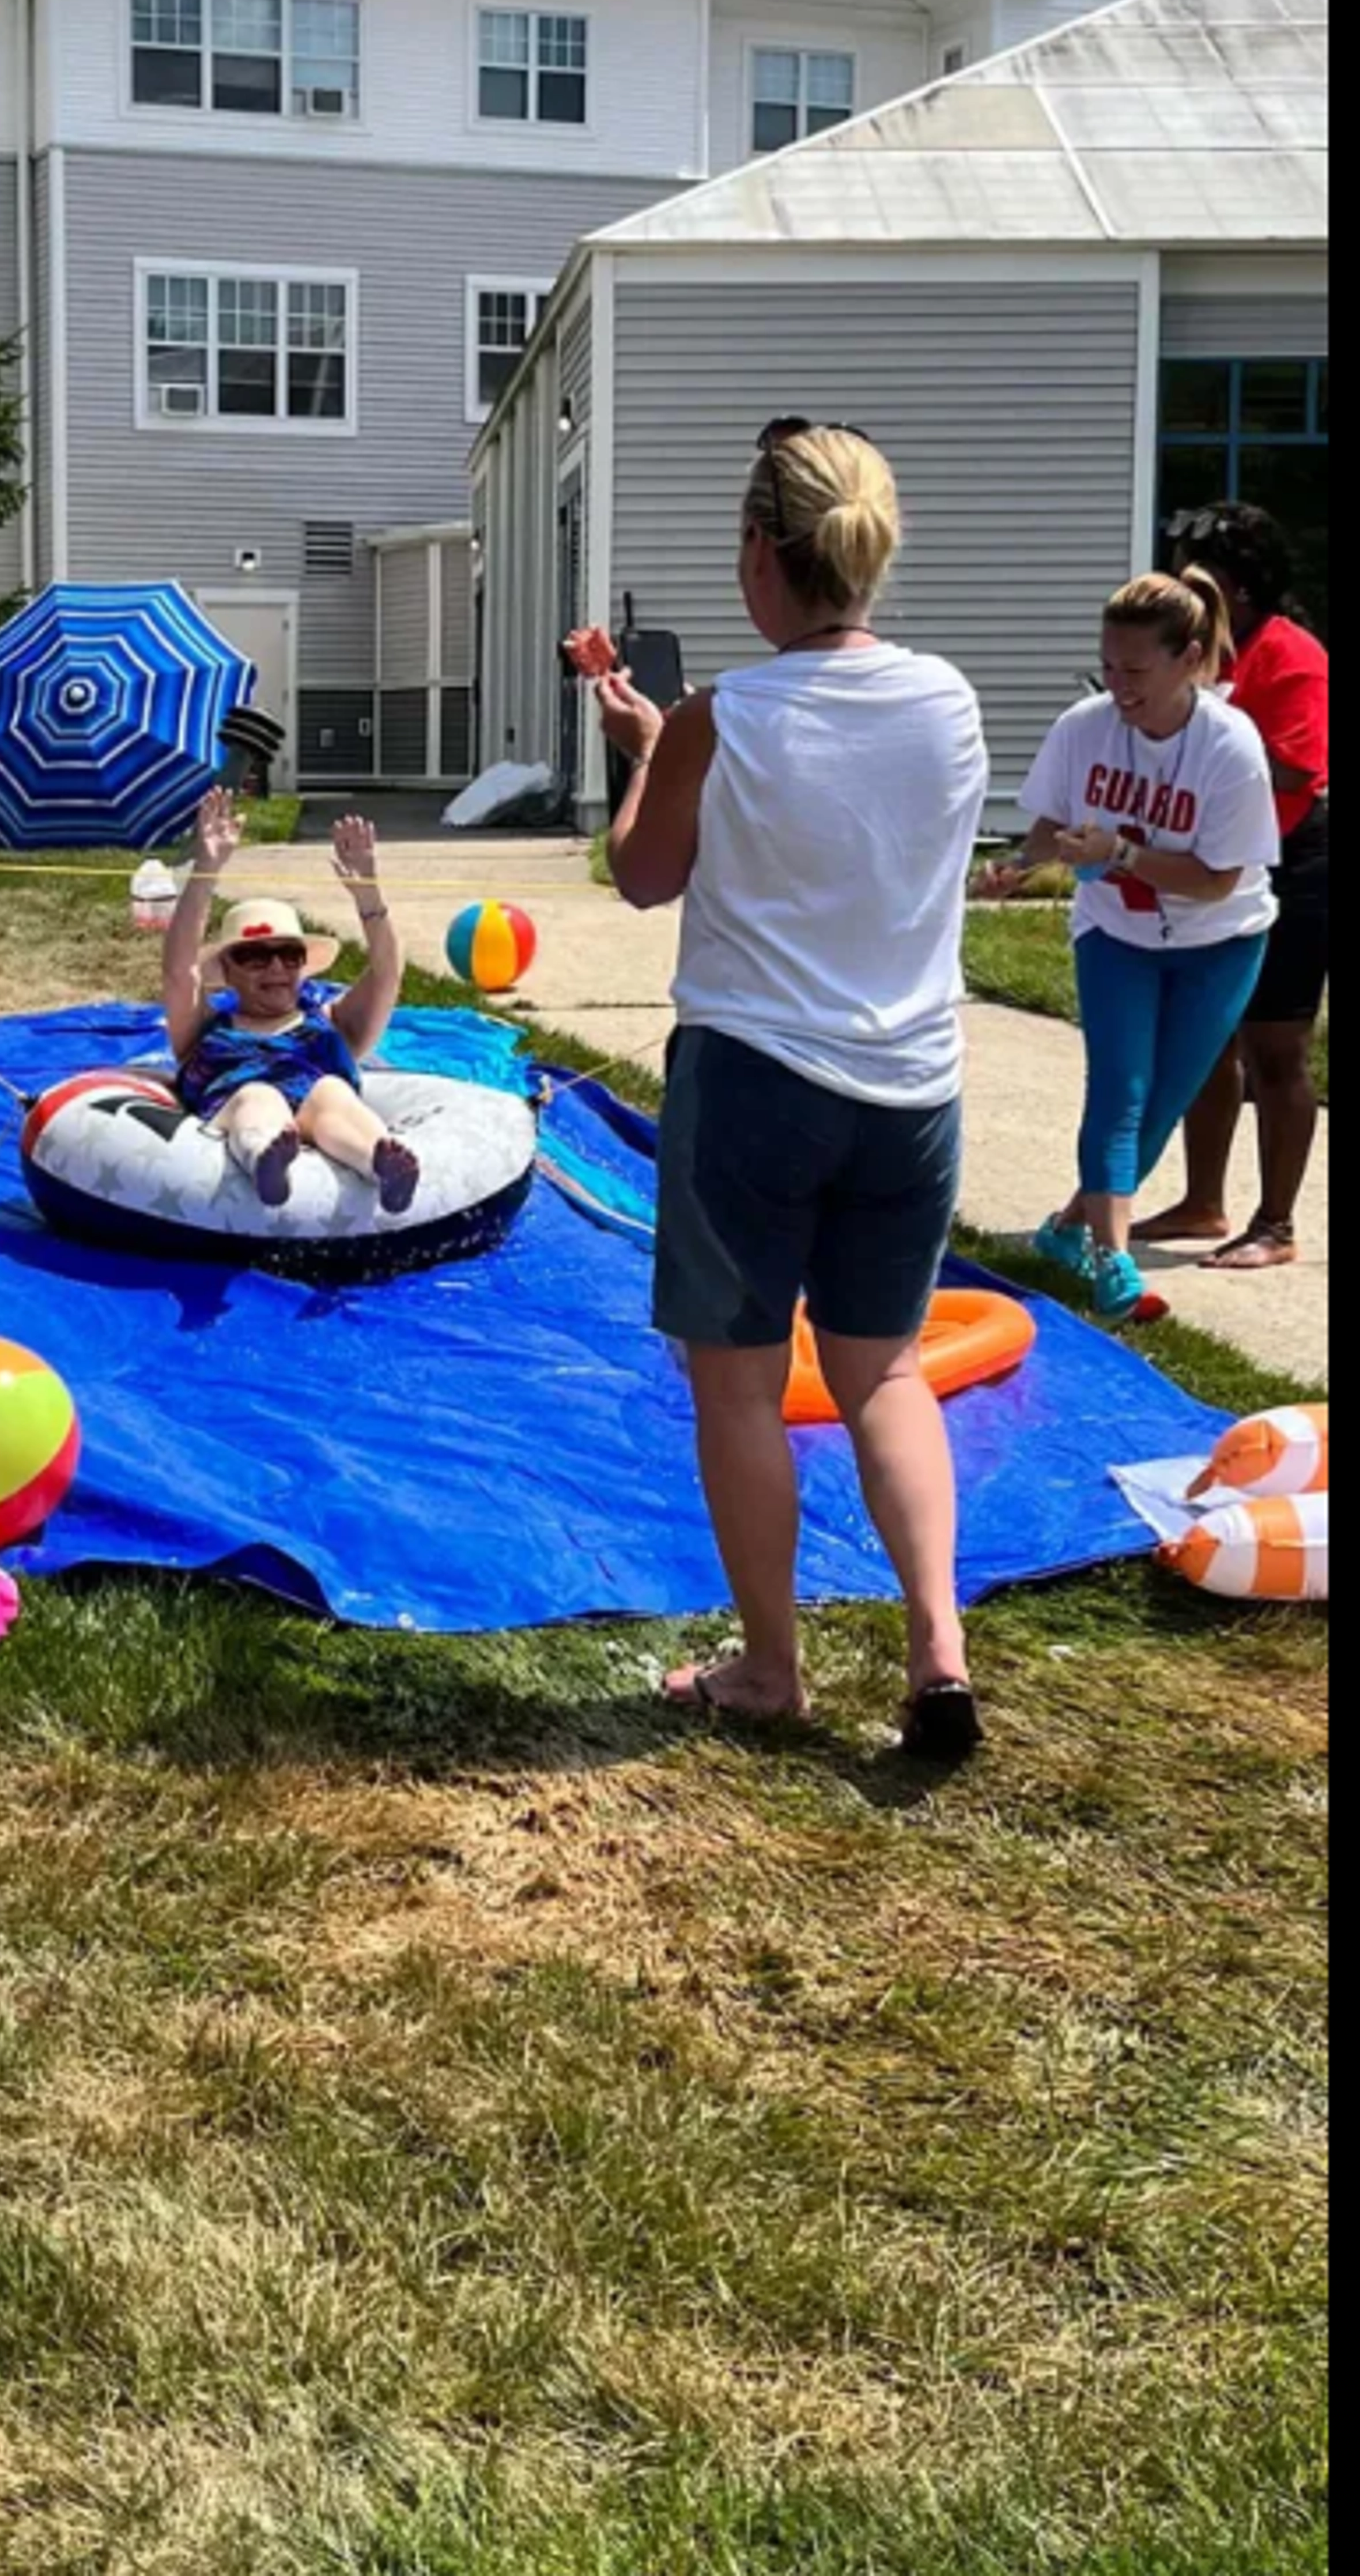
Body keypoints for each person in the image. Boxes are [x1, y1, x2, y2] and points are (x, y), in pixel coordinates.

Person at [586, 421, 991, 1758]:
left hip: (755, 1084)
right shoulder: (947, 699)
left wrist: (646, 748)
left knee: (741, 1392)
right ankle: (936, 1644)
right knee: (883, 1373)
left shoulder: (724, 717)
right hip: (910, 1088)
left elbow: (641, 874)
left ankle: (770, 1667)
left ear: (762, 556)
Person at [982, 569, 1279, 1325]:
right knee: (1120, 1088)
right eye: (1108, 665)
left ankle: (1067, 1229)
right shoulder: (1084, 726)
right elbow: (1049, 826)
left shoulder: (1230, 746)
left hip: (1221, 940)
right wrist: (1022, 866)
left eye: (1136, 670)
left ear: (1188, 659)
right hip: (1115, 932)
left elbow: (1217, 881)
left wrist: (1121, 853)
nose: (1118, 685)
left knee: (1162, 1104)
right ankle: (1111, 1262)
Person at [1131, 504, 1328, 1273]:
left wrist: (1216, 728)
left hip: (1291, 861)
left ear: (1240, 590)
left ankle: (1276, 1223)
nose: (1182, 588)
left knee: (1275, 1049)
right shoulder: (1194, 653)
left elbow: (1298, 775)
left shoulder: (1291, 656)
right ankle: (1202, 1200)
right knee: (1207, 1040)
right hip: (1210, 864)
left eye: (1197, 578)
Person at [162, 788, 420, 1213]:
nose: (276, 968)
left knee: (332, 1092)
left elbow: (388, 973)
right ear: (226, 970)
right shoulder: (202, 1029)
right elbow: (178, 973)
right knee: (258, 1098)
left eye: (290, 955)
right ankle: (268, 1159)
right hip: (243, 1106)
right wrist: (206, 870)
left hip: (321, 1111)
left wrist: (369, 894)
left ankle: (381, 1162)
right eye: (255, 957)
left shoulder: (334, 1024)